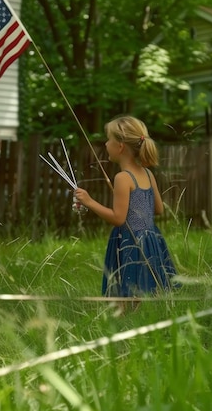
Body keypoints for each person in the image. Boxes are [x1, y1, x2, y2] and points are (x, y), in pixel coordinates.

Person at [75, 115, 178, 297]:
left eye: (109, 139)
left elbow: (118, 218)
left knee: (128, 292)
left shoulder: (123, 178)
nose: (106, 144)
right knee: (149, 289)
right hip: (151, 239)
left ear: (120, 146)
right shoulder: (147, 173)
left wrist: (89, 202)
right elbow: (159, 209)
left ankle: (125, 320)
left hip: (130, 241)